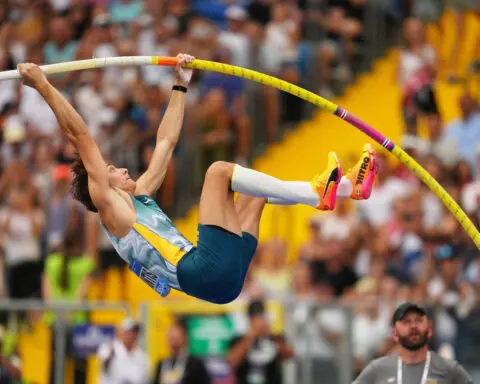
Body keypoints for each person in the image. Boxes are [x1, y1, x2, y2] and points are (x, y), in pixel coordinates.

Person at [17, 53, 378, 305]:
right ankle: (319, 193)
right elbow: (81, 137)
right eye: (114, 170)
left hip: (224, 281)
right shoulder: (113, 211)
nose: (124, 170)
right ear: (101, 186)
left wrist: (180, 85)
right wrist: (43, 86)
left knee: (254, 193)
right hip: (202, 271)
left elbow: (166, 141)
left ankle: (346, 188)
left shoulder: (138, 198)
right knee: (218, 171)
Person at [353, 302, 473, 384]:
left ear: (429, 331)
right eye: (406, 322)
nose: (413, 326)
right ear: (394, 335)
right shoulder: (377, 368)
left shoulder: (449, 369)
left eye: (419, 321)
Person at [227, 299, 294, 384]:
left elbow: (289, 355)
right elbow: (232, 361)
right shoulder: (239, 338)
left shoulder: (275, 337)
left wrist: (271, 335)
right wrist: (251, 336)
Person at [151, 319, 211, 384]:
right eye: (171, 338)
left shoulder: (195, 365)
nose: (173, 342)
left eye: (176, 338)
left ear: (185, 338)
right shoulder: (162, 364)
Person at [97, 317, 150, 384]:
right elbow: (103, 368)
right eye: (129, 331)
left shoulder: (142, 357)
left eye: (134, 332)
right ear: (121, 332)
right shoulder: (109, 349)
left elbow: (144, 379)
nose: (132, 335)